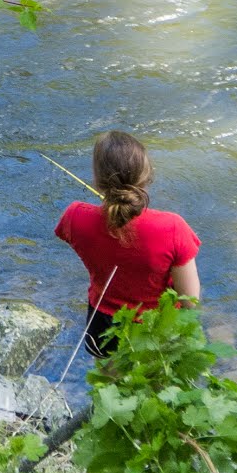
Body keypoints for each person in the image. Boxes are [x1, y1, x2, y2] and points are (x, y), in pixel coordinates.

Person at [53, 131, 201, 358]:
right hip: (156, 330)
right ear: (147, 175)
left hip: (102, 328)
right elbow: (190, 301)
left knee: (107, 388)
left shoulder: (74, 217)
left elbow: (91, 237)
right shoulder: (173, 227)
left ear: (96, 179)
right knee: (152, 390)